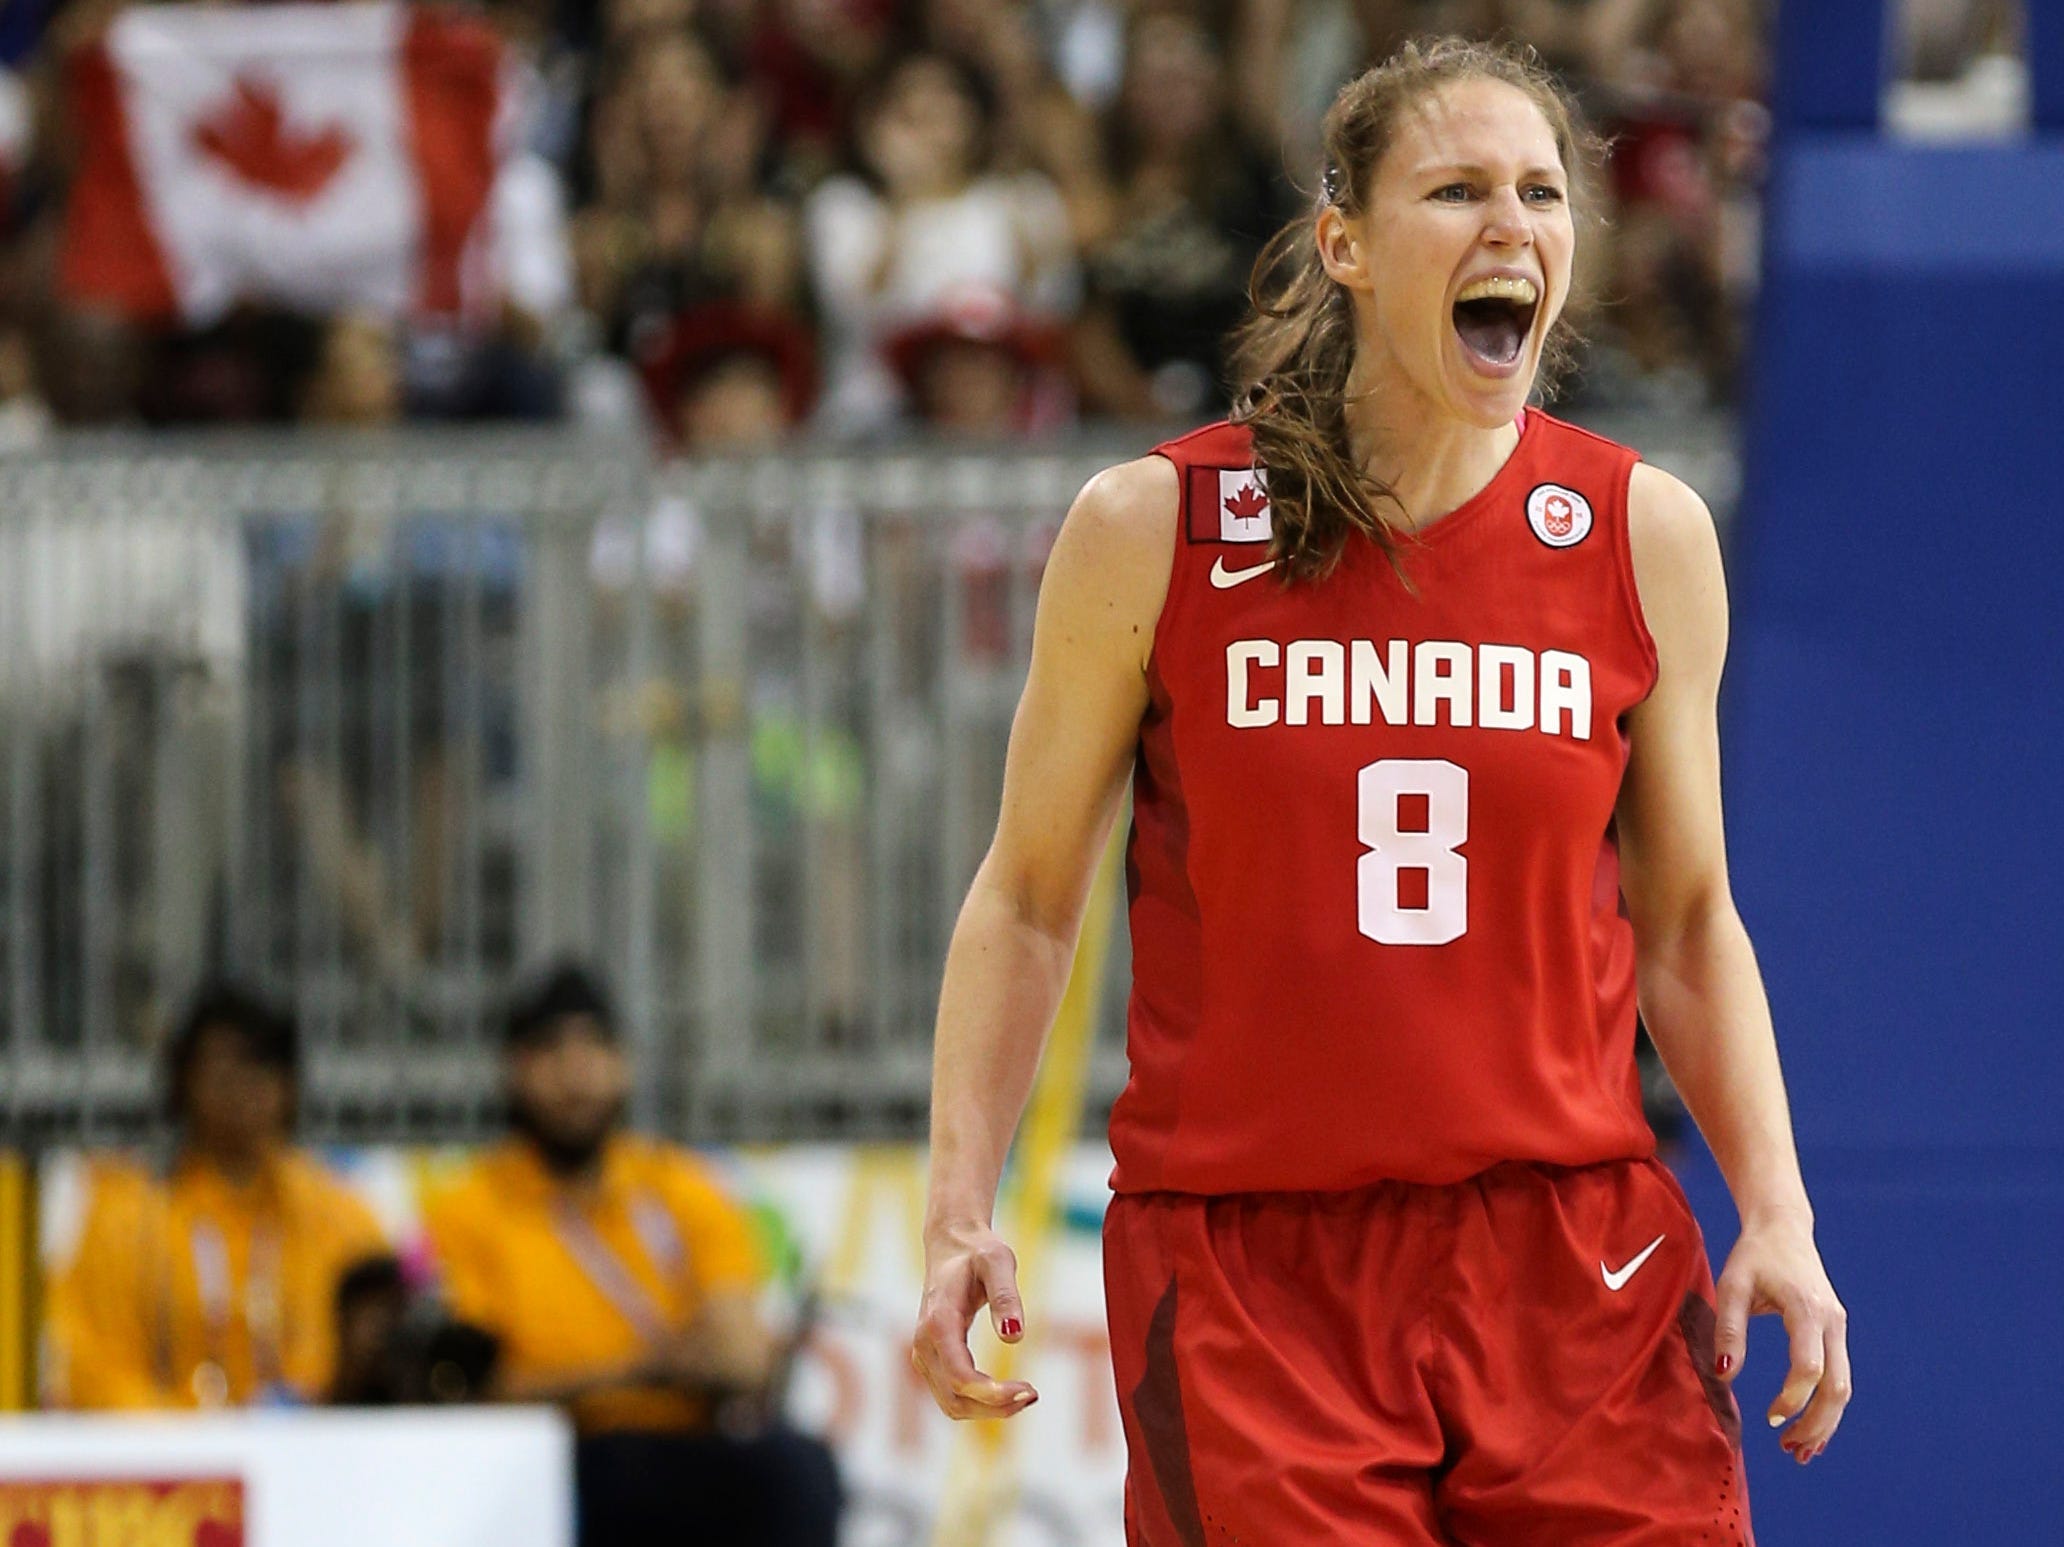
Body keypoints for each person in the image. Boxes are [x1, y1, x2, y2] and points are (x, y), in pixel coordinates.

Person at [911, 35, 1850, 1545]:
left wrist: (1780, 1213)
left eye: (1542, 192)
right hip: (1252, 1271)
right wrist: (959, 1206)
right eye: (1457, 188)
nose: (1513, 225)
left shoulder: (1642, 532)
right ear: (1343, 241)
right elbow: (1025, 897)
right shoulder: (1155, 527)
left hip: (1569, 1250)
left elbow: (1686, 920)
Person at [423, 965, 839, 1547]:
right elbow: (475, 1389)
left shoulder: (681, 1187)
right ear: (513, 1070)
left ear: (626, 1064)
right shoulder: (464, 1210)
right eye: (549, 1049)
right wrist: (644, 1368)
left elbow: (739, 1361)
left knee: (798, 1468)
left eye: (595, 1046)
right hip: (552, 1454)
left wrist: (587, 1375)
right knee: (616, 1477)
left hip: (683, 1441)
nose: (576, 1074)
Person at [45, 983, 388, 1409]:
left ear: (289, 1086)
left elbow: (377, 1357)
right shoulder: (126, 1218)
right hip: (170, 1465)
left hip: (317, 1456)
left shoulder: (342, 1215)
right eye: (222, 1068)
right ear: (182, 1083)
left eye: (260, 1066)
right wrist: (194, 1441)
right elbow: (88, 1369)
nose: (242, 1087)